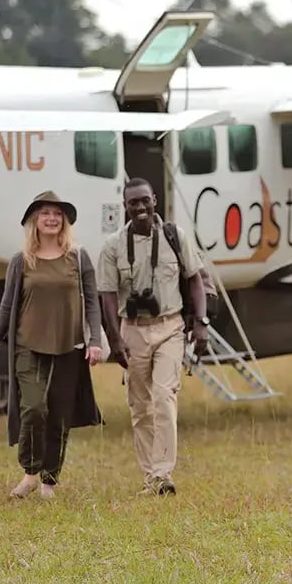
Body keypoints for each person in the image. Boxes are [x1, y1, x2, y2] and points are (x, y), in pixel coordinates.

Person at [0, 190, 105, 500]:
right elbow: (7, 307)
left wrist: (95, 341)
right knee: (33, 408)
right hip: (28, 346)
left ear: (64, 221)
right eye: (45, 213)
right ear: (34, 221)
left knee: (60, 414)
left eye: (57, 214)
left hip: (68, 347)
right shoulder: (21, 261)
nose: (51, 218)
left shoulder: (78, 256)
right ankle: (30, 473)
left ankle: (50, 481)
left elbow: (92, 301)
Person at [97, 178, 209, 497]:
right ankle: (151, 476)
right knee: (140, 406)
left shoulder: (175, 237)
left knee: (163, 396)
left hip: (170, 326)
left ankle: (163, 473)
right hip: (131, 329)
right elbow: (106, 295)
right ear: (125, 207)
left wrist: (200, 324)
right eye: (133, 203)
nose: (141, 207)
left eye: (145, 200)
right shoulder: (113, 246)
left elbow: (195, 280)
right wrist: (114, 339)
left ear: (155, 200)